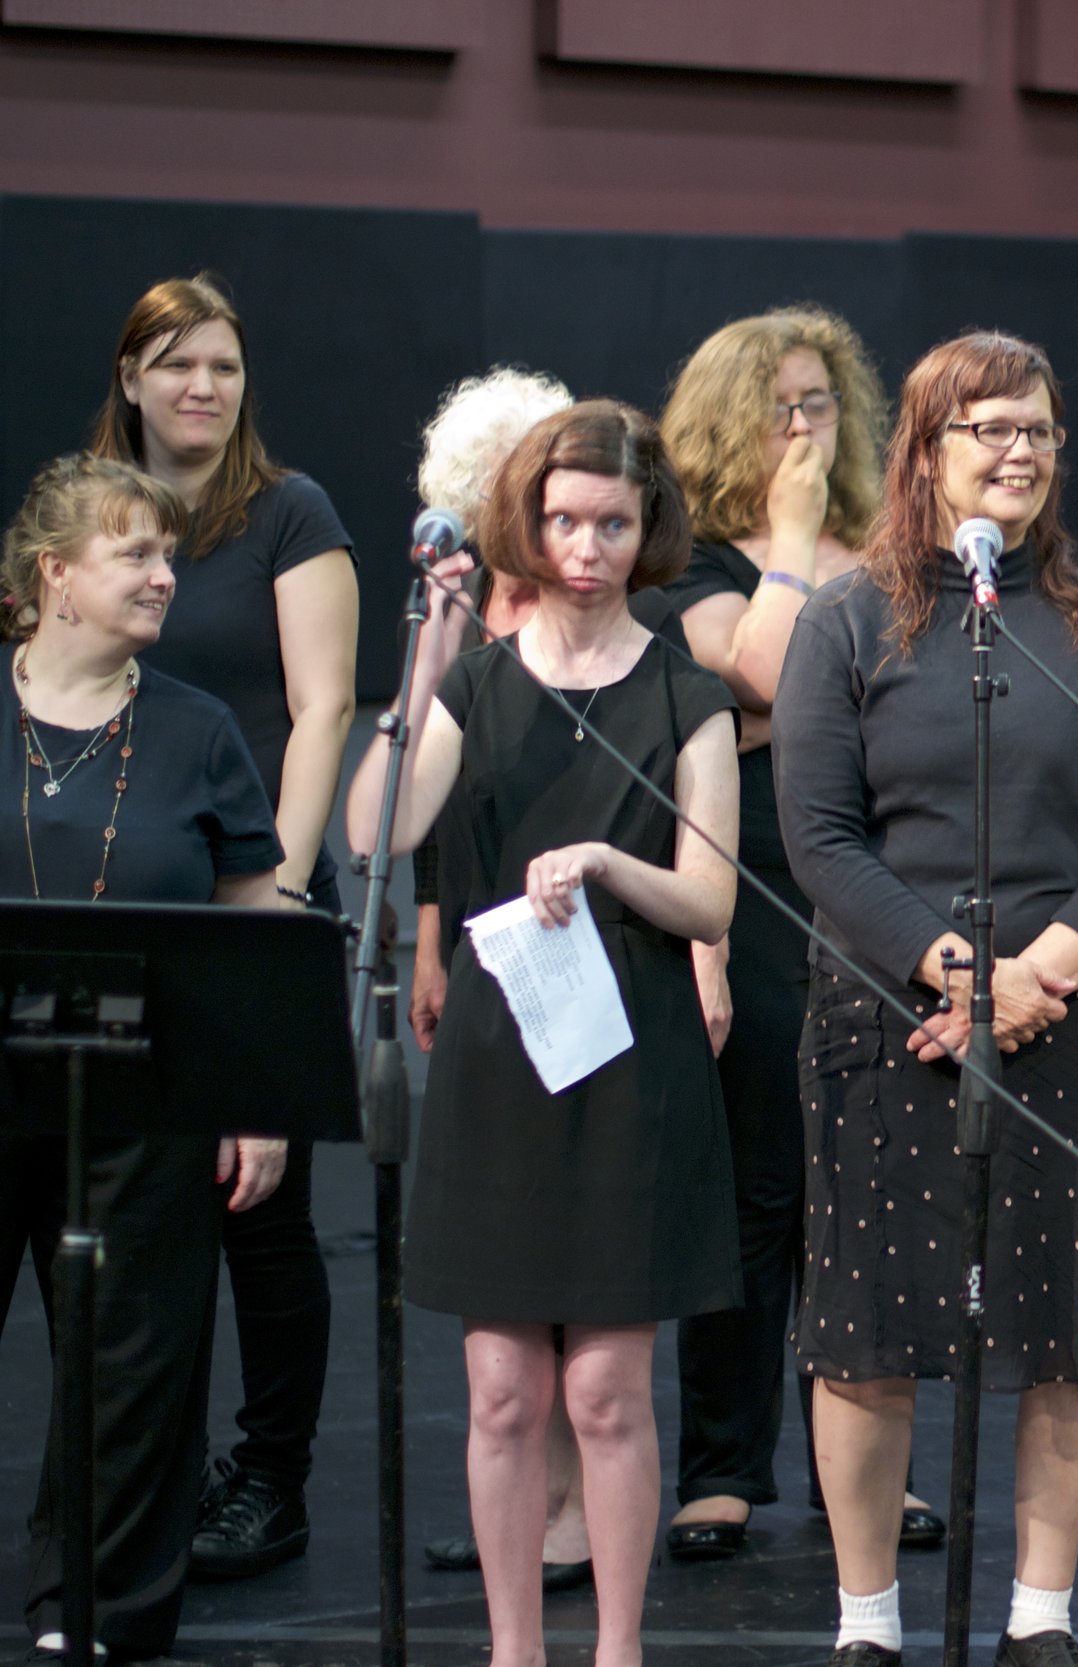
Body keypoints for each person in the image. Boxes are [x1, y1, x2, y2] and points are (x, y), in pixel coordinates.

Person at [774, 330, 1078, 1667]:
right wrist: (952, 972)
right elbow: (822, 835)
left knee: (1074, 1319)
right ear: (925, 450)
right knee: (869, 1324)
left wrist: (1041, 974)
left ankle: (1042, 1613)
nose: (1017, 451)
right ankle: (869, 1618)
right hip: (891, 1013)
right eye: (987, 428)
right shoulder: (845, 617)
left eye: (1038, 430)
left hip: (1063, 1009)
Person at [346, 400, 743, 1667]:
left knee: (606, 1391)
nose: (585, 546)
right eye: (565, 519)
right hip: (501, 1058)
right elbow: (376, 830)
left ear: (648, 528)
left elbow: (712, 896)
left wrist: (611, 863)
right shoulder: (476, 683)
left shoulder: (688, 691)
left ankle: (616, 1649)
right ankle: (516, 1651)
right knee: (505, 1392)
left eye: (612, 522)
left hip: (632, 1061)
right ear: (534, 519)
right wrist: (425, 659)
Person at [648, 305, 946, 1561]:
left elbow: (902, 718)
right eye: (777, 403)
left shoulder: (889, 552)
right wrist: (786, 530)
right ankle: (723, 1463)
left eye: (820, 399)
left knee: (875, 1180)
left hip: (880, 874)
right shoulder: (699, 559)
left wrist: (793, 718)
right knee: (761, 1177)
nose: (803, 422)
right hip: (761, 875)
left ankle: (863, 1472)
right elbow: (755, 677)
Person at [87, 273, 359, 1579]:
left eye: (227, 366)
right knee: (135, 1206)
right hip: (120, 904)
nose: (204, 386)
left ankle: (270, 1478)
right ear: (131, 377)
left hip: (256, 899)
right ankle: (151, 1466)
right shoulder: (88, 516)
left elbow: (322, 710)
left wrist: (280, 893)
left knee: (261, 1203)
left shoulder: (287, 512)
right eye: (179, 363)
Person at [0, 454, 286, 1659]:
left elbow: (253, 920)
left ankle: (99, 1617)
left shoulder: (196, 726)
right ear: (55, 572)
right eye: (137, 553)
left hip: (147, 1091)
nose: (167, 576)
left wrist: (258, 1099)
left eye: (171, 555)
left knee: (135, 1365)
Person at [391, 368, 606, 1595]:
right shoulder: (456, 611)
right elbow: (430, 805)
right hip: (479, 935)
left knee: (585, 1267)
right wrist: (427, 936)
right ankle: (523, 1497)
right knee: (509, 1270)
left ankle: (579, 1501)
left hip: (587, 935)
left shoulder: (601, 609)